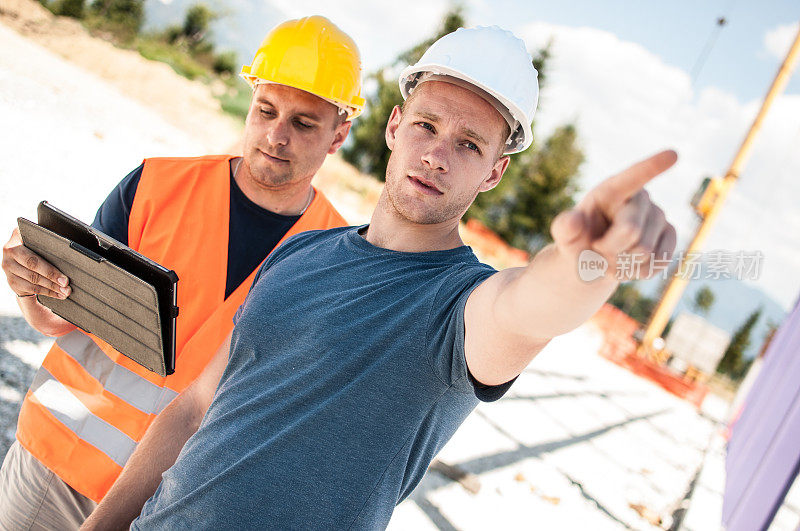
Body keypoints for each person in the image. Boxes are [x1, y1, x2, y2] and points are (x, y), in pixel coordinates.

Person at [83, 25, 678, 530]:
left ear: (494, 171)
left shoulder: (461, 308)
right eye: (427, 126)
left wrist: (587, 265)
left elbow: (536, 304)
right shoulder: (302, 251)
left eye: (468, 145)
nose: (436, 155)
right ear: (395, 126)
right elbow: (193, 410)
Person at [0, 15, 364, 529]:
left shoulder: (337, 262)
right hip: (55, 469)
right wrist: (31, 288)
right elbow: (60, 321)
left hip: (170, 510)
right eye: (266, 110)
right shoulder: (154, 186)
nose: (276, 135)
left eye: (303, 123)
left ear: (338, 136)